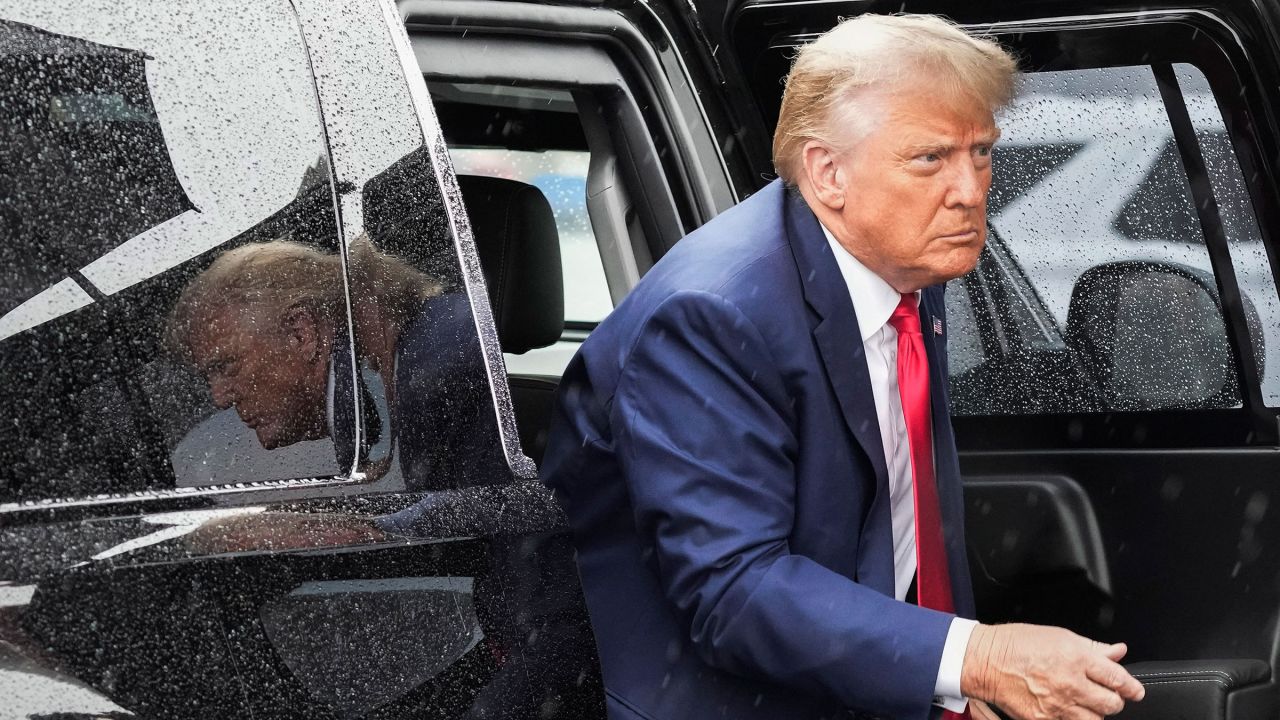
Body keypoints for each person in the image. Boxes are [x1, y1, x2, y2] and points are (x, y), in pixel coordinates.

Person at [540, 14, 1146, 720]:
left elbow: (904, 513)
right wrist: (974, 658)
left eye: (981, 152)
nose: (971, 189)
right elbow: (734, 591)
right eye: (931, 159)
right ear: (828, 173)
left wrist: (953, 685)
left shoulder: (911, 266)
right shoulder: (713, 315)